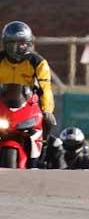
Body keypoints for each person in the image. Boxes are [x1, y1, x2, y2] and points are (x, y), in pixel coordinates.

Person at [0, 21, 57, 165]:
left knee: (48, 120)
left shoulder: (38, 62)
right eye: (13, 43)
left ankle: (42, 148)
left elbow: (45, 88)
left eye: (22, 43)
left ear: (29, 43)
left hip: (28, 102)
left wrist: (47, 110)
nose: (18, 47)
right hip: (3, 102)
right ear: (6, 44)